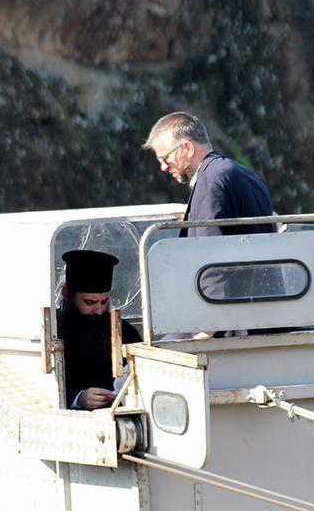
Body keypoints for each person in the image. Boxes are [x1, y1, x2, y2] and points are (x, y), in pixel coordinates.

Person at [142, 111, 274, 237]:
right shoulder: (249, 176)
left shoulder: (210, 180)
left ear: (188, 148)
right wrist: (194, 216)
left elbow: (208, 251)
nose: (163, 167)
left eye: (165, 158)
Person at [57, 249, 141, 410]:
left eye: (104, 303)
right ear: (67, 294)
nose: (99, 310)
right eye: (89, 303)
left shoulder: (124, 331)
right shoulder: (52, 332)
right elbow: (37, 390)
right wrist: (78, 398)